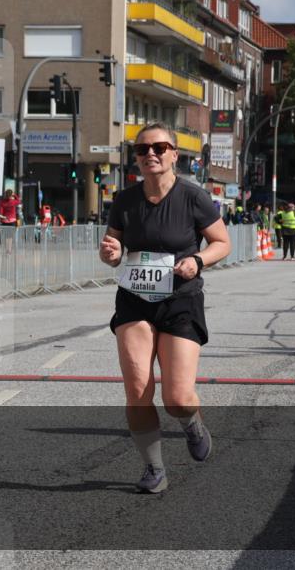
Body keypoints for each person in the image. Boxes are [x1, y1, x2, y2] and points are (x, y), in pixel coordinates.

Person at [98, 123, 231, 494]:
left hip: (180, 300)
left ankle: (192, 423)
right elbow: (113, 252)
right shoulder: (124, 200)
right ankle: (153, 468)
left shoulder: (193, 197)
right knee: (138, 387)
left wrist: (199, 261)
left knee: (176, 398)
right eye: (142, 150)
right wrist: (109, 255)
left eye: (159, 147)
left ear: (174, 154)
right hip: (134, 300)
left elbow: (222, 242)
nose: (150, 154)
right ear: (136, 158)